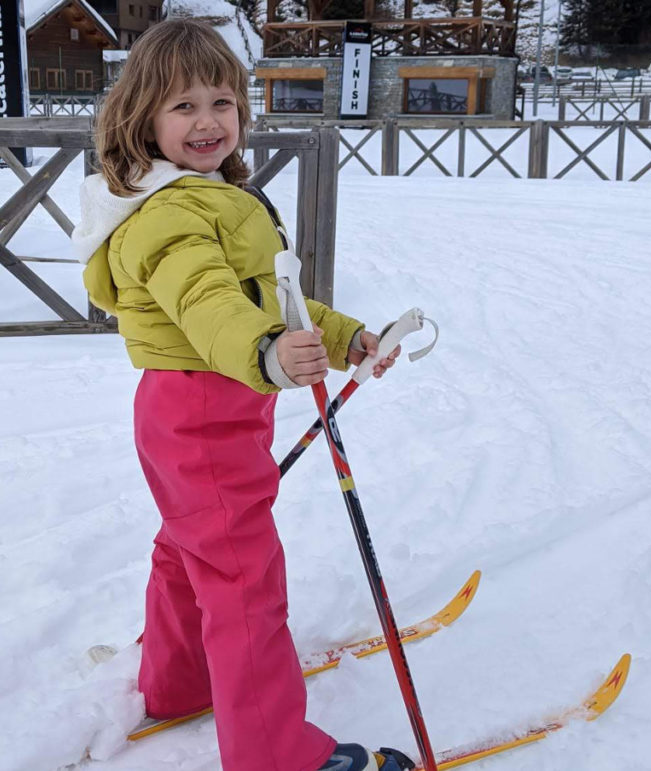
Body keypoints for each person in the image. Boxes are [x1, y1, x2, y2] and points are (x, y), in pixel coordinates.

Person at [71, 18, 410, 771]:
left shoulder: (210, 196)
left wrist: (346, 336)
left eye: (221, 103)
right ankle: (276, 755)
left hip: (196, 409)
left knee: (190, 547)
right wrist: (262, 351)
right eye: (183, 106)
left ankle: (180, 679)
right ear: (143, 119)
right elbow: (209, 303)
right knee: (243, 580)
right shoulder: (169, 215)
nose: (206, 122)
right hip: (204, 408)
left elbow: (270, 295)